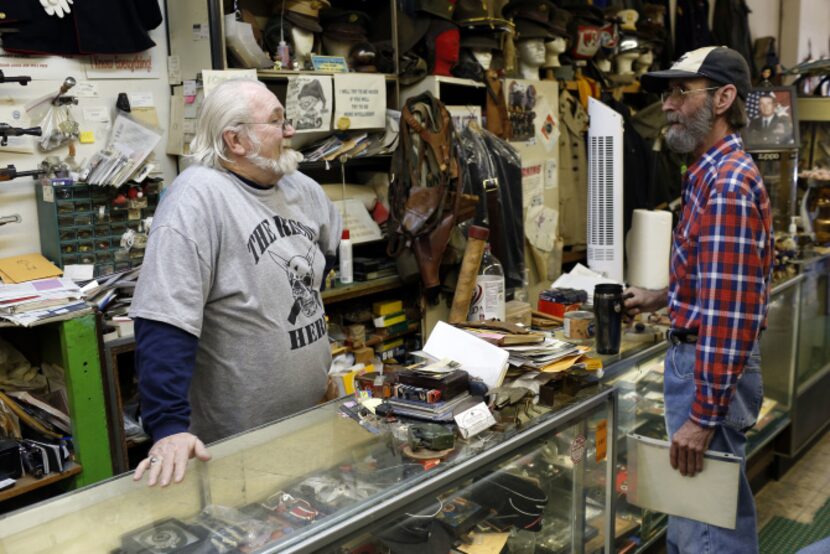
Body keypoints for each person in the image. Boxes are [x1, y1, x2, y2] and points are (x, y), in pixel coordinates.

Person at [130, 79, 342, 488]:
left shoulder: (302, 188)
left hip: (312, 417)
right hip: (234, 447)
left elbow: (325, 259)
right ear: (236, 140)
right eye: (277, 121)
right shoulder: (194, 201)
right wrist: (169, 427)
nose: (290, 131)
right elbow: (164, 321)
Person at [629, 46, 773, 553]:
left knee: (706, 532)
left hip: (707, 375)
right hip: (702, 366)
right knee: (715, 517)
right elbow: (719, 280)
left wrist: (702, 417)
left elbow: (730, 314)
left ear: (722, 98)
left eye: (680, 92)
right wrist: (661, 296)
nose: (667, 104)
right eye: (668, 93)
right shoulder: (708, 172)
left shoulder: (728, 184)